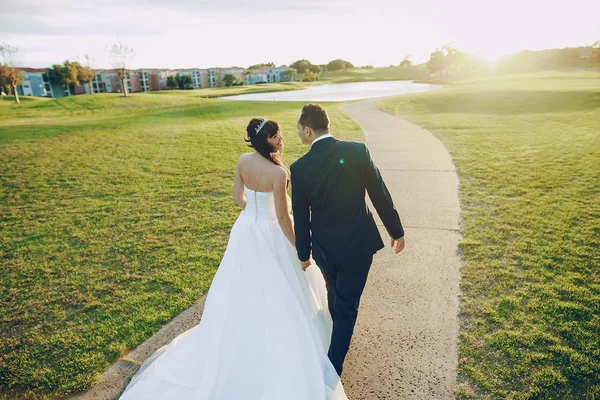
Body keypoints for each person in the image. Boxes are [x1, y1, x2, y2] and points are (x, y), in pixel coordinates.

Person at [118, 117, 347, 400]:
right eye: (277, 136)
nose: (282, 139)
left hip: (246, 230)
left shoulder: (242, 161)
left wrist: (253, 209)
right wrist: (301, 248)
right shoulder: (279, 174)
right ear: (266, 140)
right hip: (271, 232)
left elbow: (237, 198)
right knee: (280, 287)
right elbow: (284, 219)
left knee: (241, 284)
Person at [291, 104, 405, 377]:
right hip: (358, 245)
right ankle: (332, 370)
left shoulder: (300, 167)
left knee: (337, 296)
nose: (297, 133)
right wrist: (396, 230)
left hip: (324, 249)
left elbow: (301, 216)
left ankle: (335, 352)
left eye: (298, 129)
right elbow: (380, 194)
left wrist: (303, 252)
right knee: (345, 304)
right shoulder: (357, 151)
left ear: (307, 130)